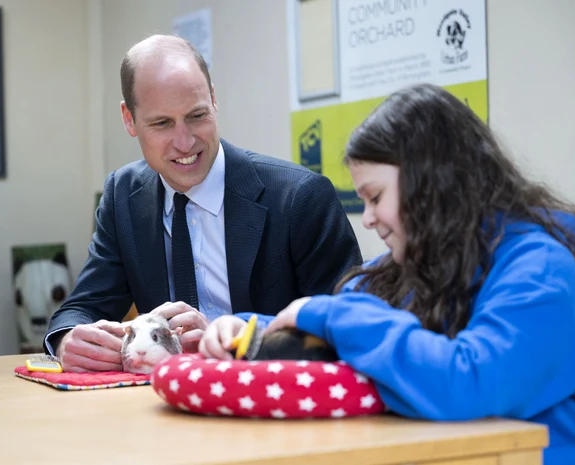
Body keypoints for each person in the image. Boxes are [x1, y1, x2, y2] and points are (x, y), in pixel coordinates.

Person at [199, 83, 575, 465]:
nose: (367, 219)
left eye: (375, 197)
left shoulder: (539, 270)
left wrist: (327, 314)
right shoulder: (408, 263)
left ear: (433, 184)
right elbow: (334, 322)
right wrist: (248, 330)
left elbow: (469, 381)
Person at [44, 34, 362, 372]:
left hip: (272, 406)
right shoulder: (123, 195)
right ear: (129, 119)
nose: (185, 142)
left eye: (197, 116)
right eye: (162, 123)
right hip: (163, 406)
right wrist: (68, 340)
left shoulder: (301, 197)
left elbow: (348, 326)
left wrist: (236, 339)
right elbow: (83, 307)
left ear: (213, 99)